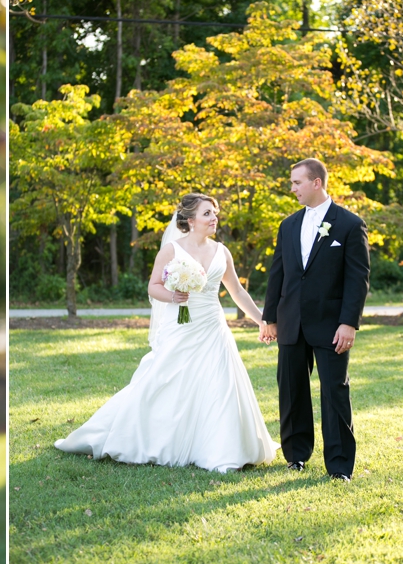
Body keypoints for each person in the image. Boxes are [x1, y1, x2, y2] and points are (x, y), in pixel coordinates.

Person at [55, 193, 278, 473]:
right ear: (189, 219)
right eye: (207, 213)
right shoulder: (171, 250)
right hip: (180, 326)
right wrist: (173, 296)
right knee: (164, 380)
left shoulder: (222, 251)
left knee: (219, 385)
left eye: (215, 212)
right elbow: (153, 287)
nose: (214, 218)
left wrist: (262, 320)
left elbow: (237, 292)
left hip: (212, 326)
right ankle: (144, 435)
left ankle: (221, 449)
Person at [262, 158, 370, 483]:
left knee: (335, 391)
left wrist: (349, 323)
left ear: (316, 183)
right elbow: (277, 274)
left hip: (331, 324)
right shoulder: (288, 225)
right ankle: (296, 456)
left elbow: (358, 278)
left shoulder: (350, 224)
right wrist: (269, 317)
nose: (292, 188)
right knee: (291, 389)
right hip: (291, 321)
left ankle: (339, 466)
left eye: (296, 183)